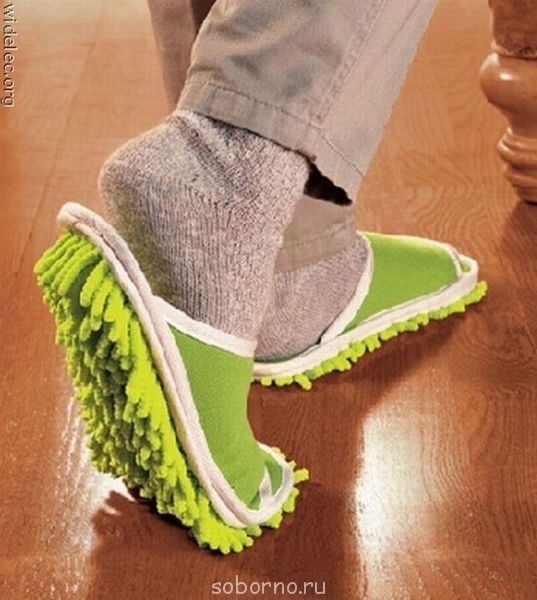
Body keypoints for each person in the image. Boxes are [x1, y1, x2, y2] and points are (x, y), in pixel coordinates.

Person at [35, 0, 487, 553]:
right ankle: (225, 163)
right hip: (227, 187)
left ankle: (287, 255)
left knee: (269, 233)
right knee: (235, 158)